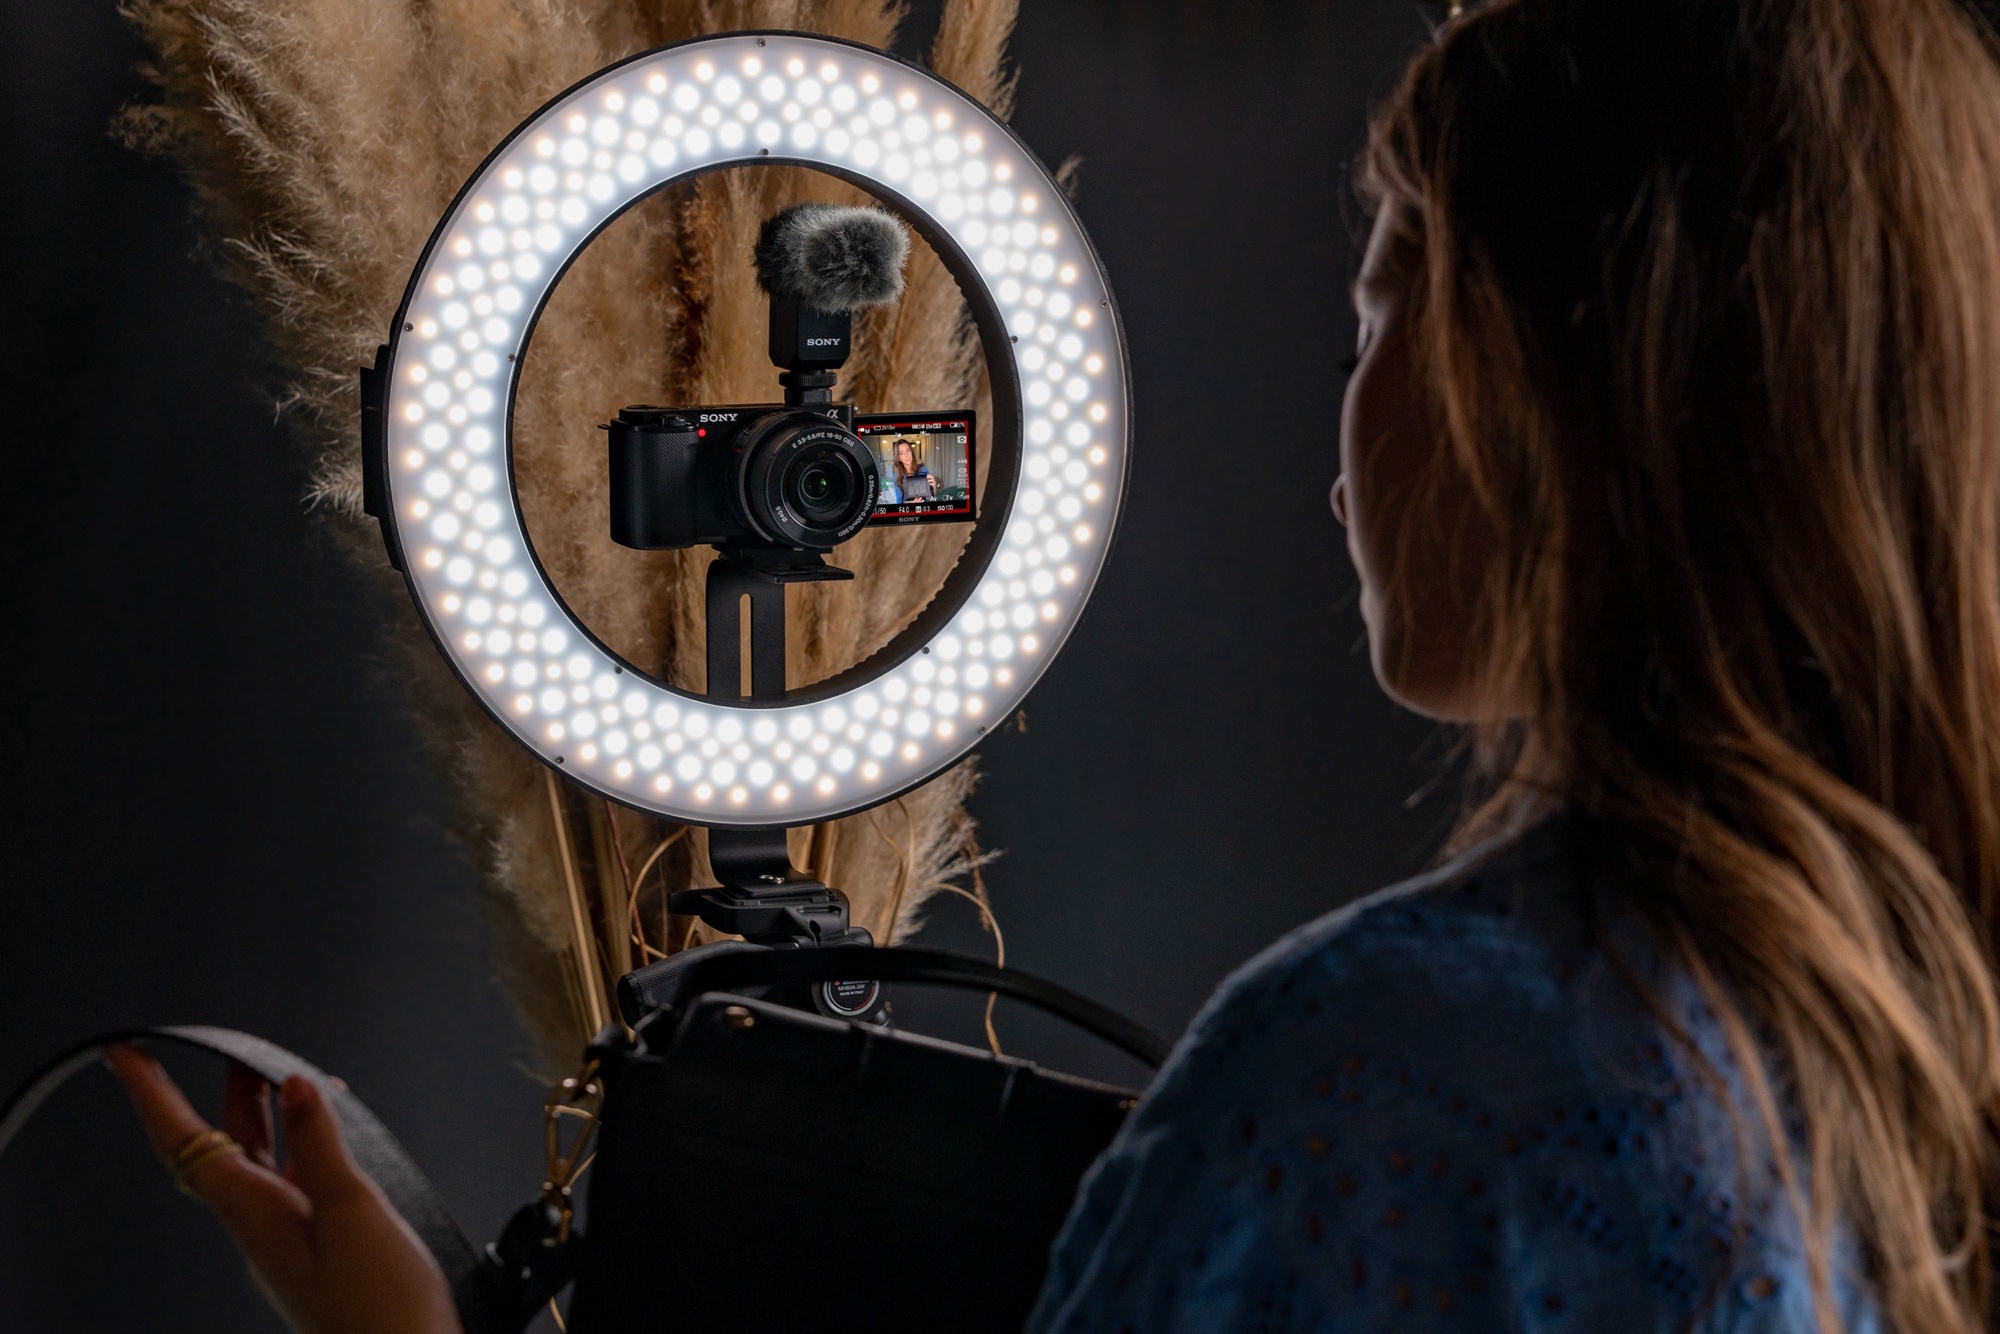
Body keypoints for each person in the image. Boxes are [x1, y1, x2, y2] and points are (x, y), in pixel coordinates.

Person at [110, 0, 2000, 1329]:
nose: (1338, 424)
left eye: (1382, 306)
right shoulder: (1869, 1038)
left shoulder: (1378, 1062)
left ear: (1531, 378)